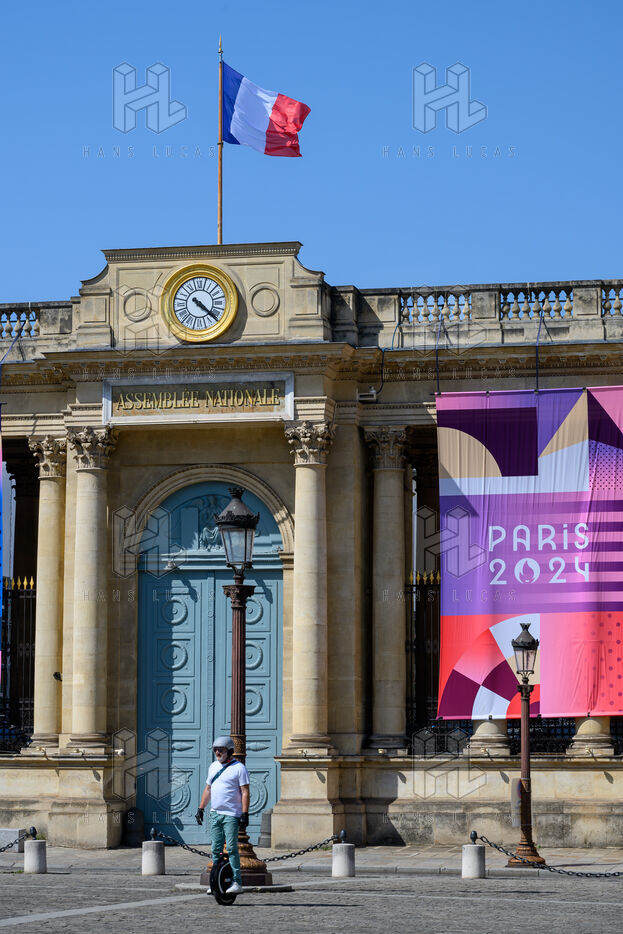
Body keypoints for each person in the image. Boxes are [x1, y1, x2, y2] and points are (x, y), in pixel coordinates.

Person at [195, 735, 250, 895]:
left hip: (231, 814)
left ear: (230, 751)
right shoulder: (213, 766)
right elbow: (208, 789)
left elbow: (245, 792)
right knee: (215, 849)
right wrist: (201, 808)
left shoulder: (239, 768)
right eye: (215, 750)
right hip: (215, 813)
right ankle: (216, 881)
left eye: (221, 750)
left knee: (231, 848)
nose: (218, 753)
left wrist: (244, 813)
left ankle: (237, 882)